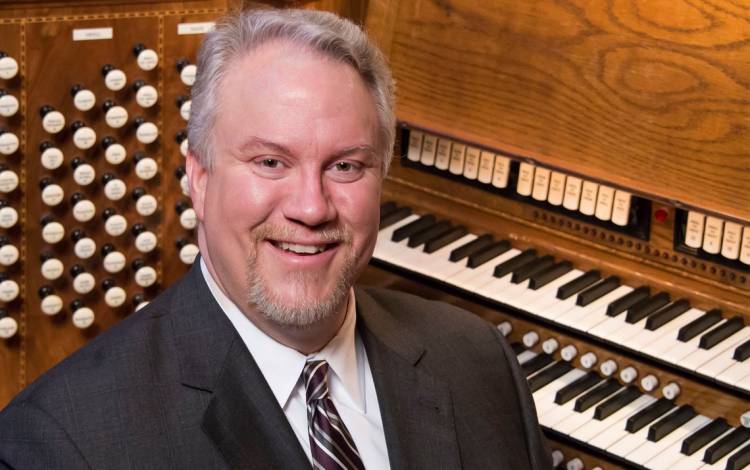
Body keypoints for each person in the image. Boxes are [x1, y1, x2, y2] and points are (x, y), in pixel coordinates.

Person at [0, 8, 551, 469]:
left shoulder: (479, 361)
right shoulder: (62, 443)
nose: (310, 207)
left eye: (346, 166)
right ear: (199, 176)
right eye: (270, 161)